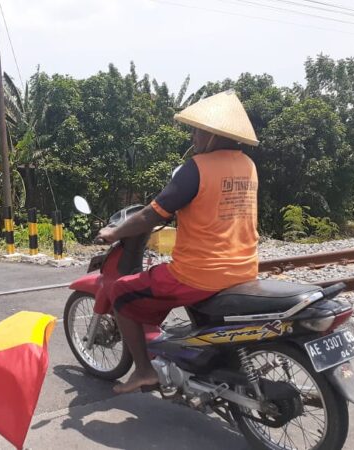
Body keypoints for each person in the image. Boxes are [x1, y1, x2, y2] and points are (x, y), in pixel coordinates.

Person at [96, 90, 260, 394]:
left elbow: (152, 215)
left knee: (121, 291)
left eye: (197, 131)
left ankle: (144, 371)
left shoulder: (196, 168)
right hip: (244, 269)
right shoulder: (248, 166)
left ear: (212, 134)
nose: (193, 137)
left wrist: (114, 233)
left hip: (198, 274)